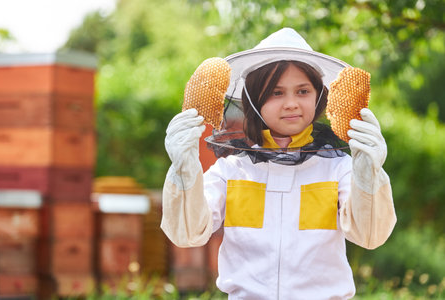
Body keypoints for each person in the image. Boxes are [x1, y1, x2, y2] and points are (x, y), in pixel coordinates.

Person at [161, 28, 396, 300]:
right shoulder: (231, 171)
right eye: (276, 92)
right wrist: (183, 165)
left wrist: (369, 170)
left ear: (319, 96)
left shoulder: (338, 169)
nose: (291, 104)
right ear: (254, 99)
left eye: (303, 91)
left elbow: (370, 235)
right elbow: (188, 233)